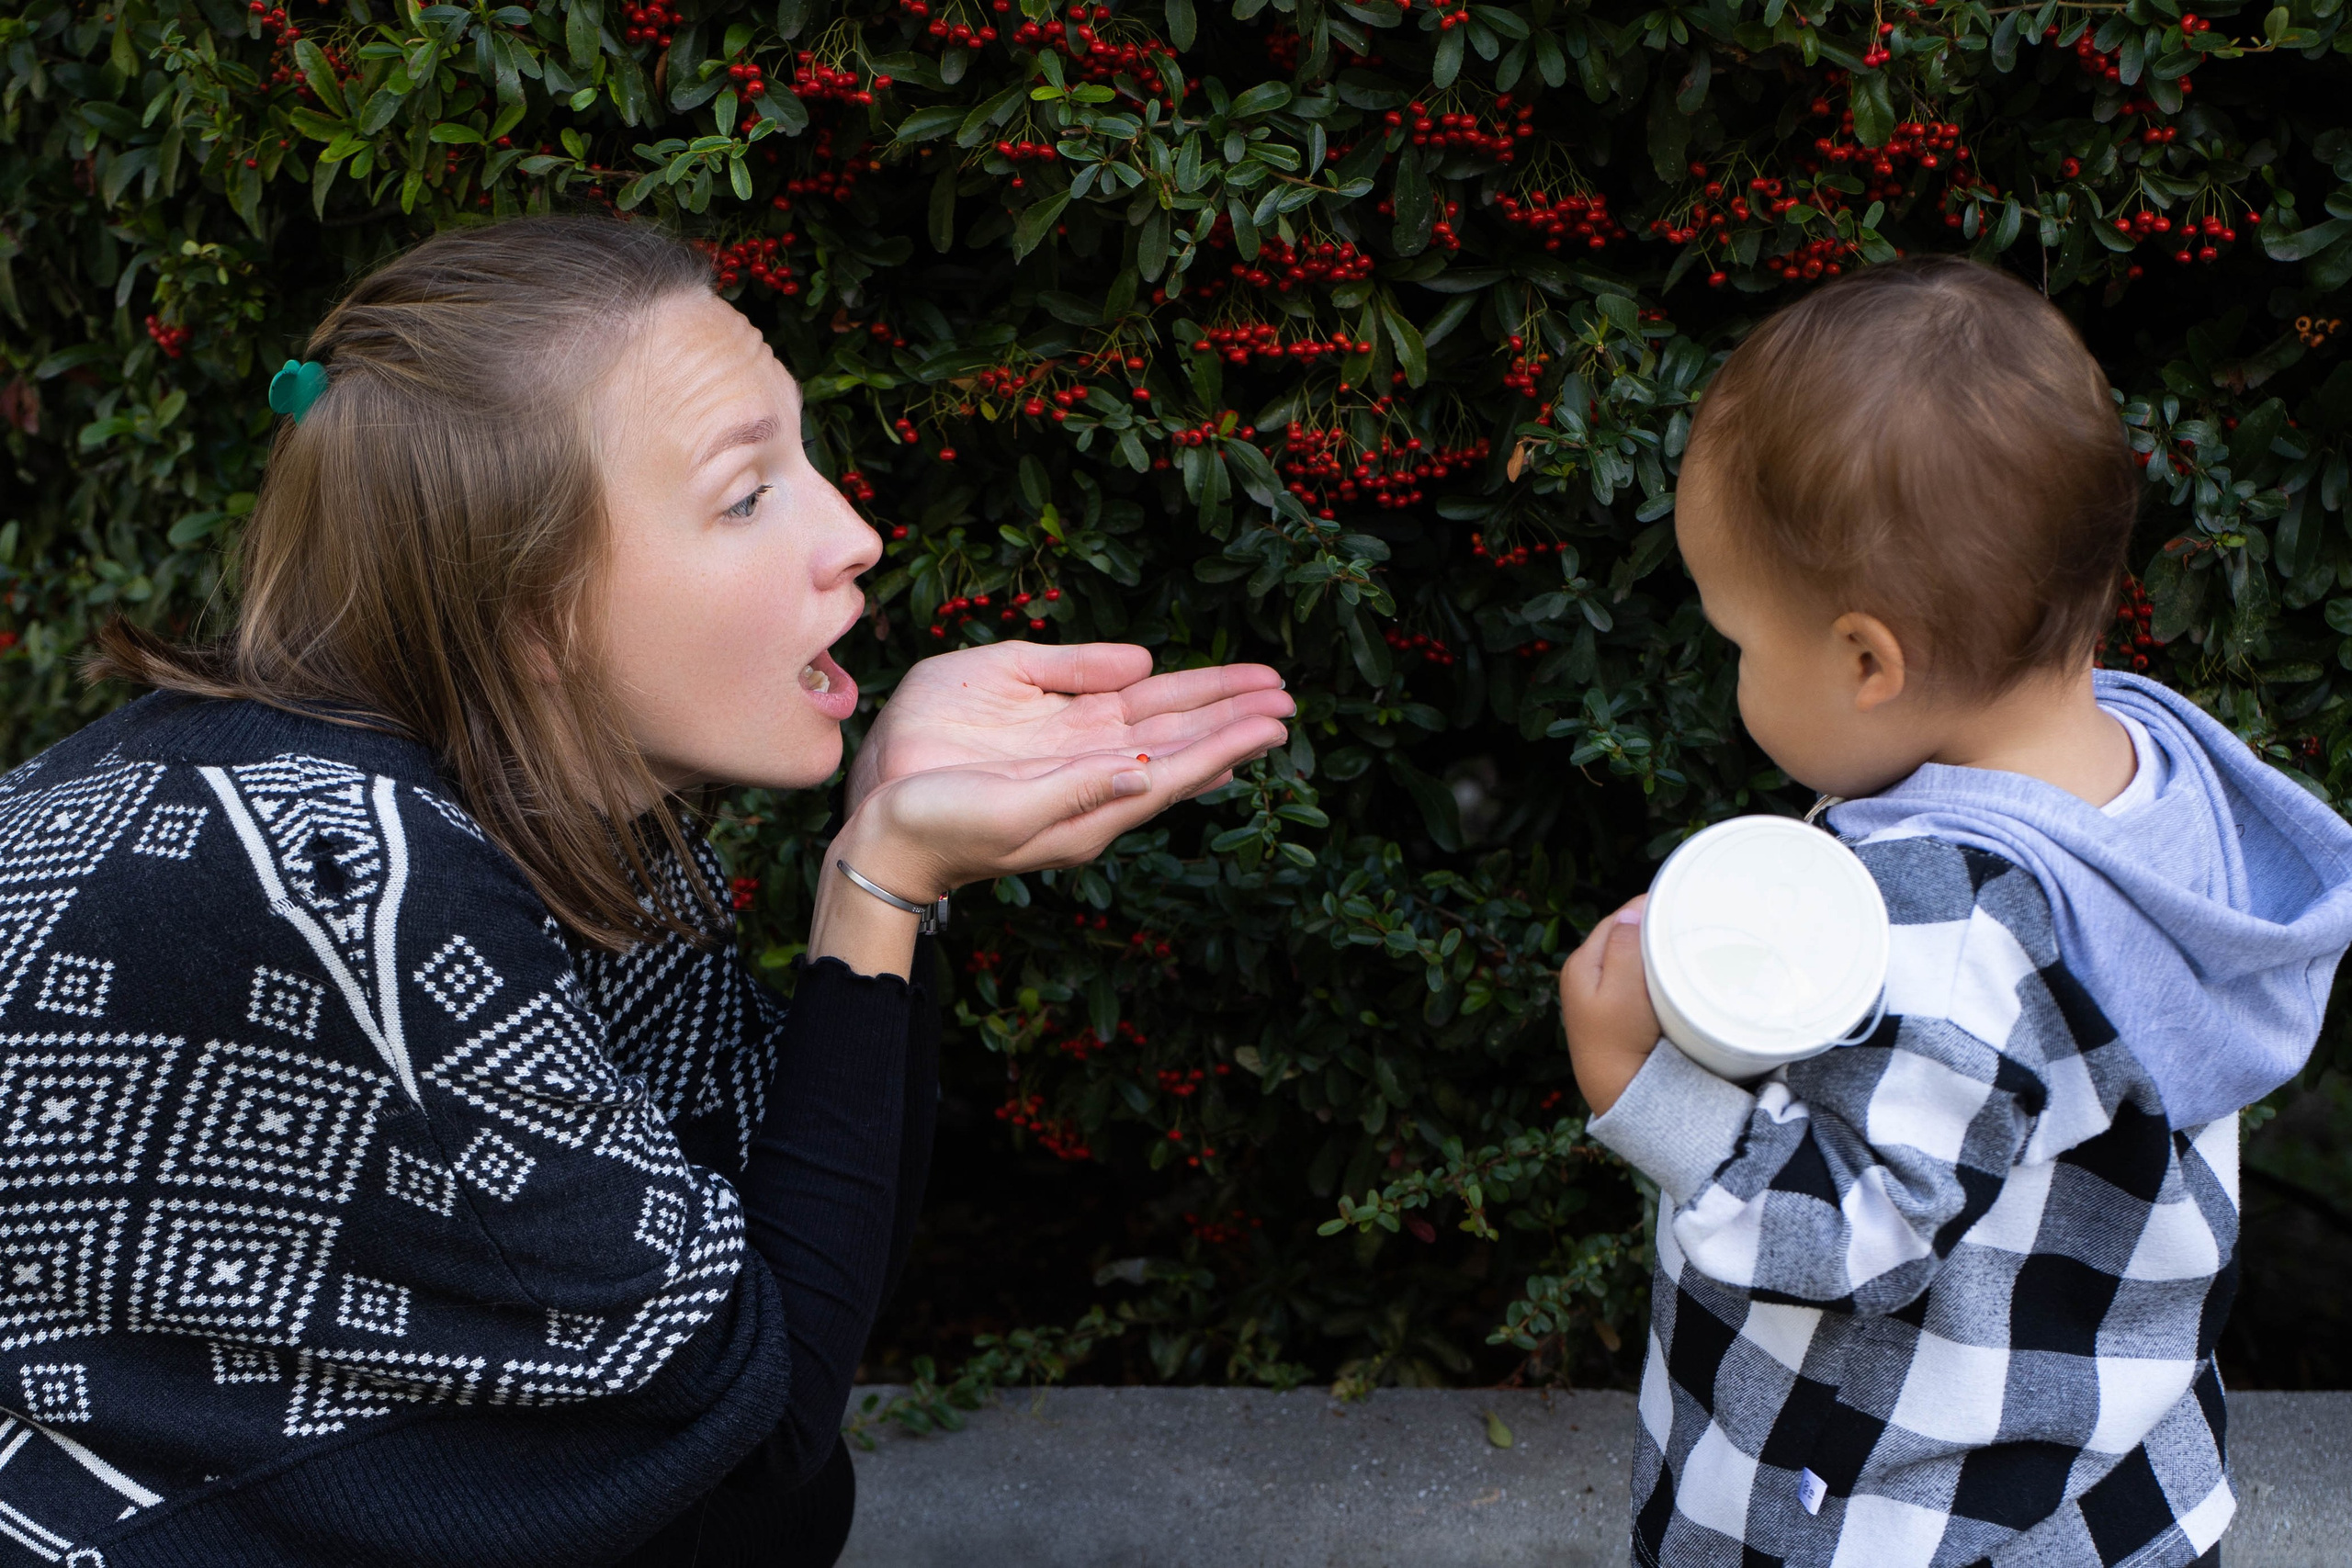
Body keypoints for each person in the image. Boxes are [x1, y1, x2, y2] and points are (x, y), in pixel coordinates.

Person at [0, 214, 1293, 1566]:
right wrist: (883, 883)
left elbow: (759, 1313)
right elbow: (764, 1416)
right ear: (534, 612)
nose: (852, 533)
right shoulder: (353, 876)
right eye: (747, 496)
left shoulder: (561, 805)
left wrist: (887, 842)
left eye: (800, 457)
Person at [1558, 256, 2352, 1568]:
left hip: (1902, 1516)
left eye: (1742, 641)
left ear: (1869, 660)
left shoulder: (1954, 921)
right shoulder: (2160, 786)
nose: (1735, 675)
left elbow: (1854, 1235)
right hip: (2105, 1481)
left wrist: (1643, 1086)